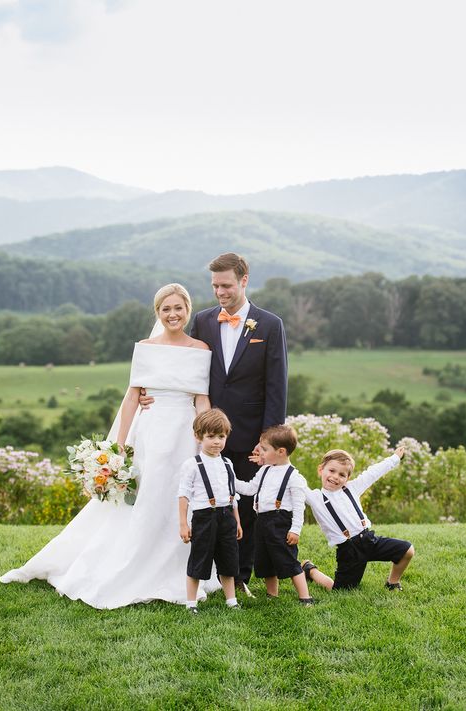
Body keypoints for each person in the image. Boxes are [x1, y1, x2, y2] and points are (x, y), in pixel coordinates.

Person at [0, 283, 221, 608]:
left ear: (188, 310)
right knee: (144, 495)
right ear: (158, 313)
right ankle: (128, 563)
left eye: (178, 308)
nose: (173, 314)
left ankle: (178, 567)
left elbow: (202, 400)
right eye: (166, 309)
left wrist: (207, 440)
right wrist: (116, 450)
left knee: (177, 496)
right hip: (150, 431)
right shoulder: (146, 347)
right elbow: (133, 397)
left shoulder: (201, 349)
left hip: (184, 434)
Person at [140, 253, 288, 596]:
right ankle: (207, 574)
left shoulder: (269, 324)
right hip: (205, 435)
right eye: (215, 286)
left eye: (226, 285)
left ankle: (240, 579)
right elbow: (182, 366)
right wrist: (151, 394)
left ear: (244, 280)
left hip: (251, 434)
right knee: (209, 507)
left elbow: (277, 386)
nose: (220, 292)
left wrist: (267, 440)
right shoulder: (204, 321)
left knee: (246, 510)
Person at [301, 447, 415, 591]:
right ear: (320, 470)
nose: (335, 477)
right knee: (340, 590)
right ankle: (310, 570)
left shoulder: (352, 488)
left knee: (407, 550)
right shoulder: (315, 498)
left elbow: (373, 473)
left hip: (369, 540)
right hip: (349, 550)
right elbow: (295, 480)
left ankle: (392, 583)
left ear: (347, 478)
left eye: (342, 474)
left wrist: (395, 458)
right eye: (331, 471)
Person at [234, 425, 314, 607]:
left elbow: (299, 507)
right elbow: (250, 488)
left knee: (288, 559)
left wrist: (295, 530)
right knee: (264, 560)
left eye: (264, 449)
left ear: (281, 451)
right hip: (261, 522)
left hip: (280, 523)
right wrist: (231, 481)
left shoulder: (294, 477)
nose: (260, 452)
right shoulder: (265, 470)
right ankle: (272, 595)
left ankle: (305, 597)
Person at [178, 409, 243, 614]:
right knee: (199, 559)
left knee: (228, 559)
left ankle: (231, 600)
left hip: (226, 517)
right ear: (198, 437)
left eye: (221, 437)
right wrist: (183, 523)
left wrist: (237, 522)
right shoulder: (192, 465)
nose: (217, 442)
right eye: (211, 436)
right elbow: (183, 495)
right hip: (204, 518)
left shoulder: (227, 463)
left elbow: (233, 495)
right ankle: (191, 603)